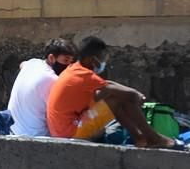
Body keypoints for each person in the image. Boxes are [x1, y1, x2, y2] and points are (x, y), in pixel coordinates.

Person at [47, 36, 183, 149]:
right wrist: (136, 95)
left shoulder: (74, 69)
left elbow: (106, 87)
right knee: (120, 99)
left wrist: (131, 93)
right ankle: (153, 138)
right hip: (69, 132)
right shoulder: (84, 75)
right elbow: (126, 94)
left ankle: (142, 138)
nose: (103, 62)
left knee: (115, 98)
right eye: (101, 58)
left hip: (62, 129)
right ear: (91, 59)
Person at [7, 38, 77, 136]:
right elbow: (62, 116)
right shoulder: (53, 80)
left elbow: (22, 64)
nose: (69, 66)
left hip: (11, 129)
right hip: (35, 136)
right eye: (65, 61)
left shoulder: (32, 63)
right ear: (51, 58)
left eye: (71, 62)